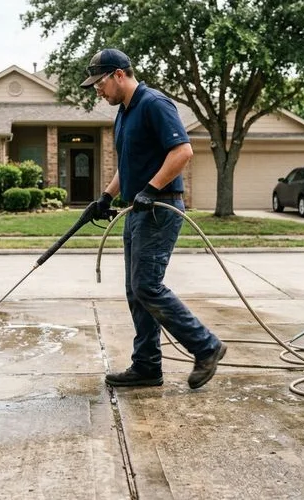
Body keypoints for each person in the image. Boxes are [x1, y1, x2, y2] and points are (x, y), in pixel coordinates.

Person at [80, 48, 226, 389]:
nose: (97, 92)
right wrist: (105, 197)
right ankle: (147, 366)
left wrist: (151, 188)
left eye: (99, 83)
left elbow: (183, 151)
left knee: (147, 285)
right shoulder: (125, 113)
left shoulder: (154, 104)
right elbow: (127, 165)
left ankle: (206, 346)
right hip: (138, 210)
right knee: (136, 290)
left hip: (160, 209)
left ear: (118, 74)